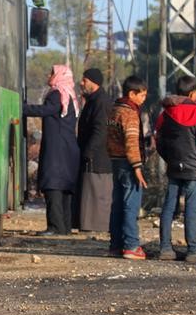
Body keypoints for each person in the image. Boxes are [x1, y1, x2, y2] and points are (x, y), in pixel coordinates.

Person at [156, 75, 196, 263]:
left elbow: (158, 140)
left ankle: (165, 249)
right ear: (193, 93)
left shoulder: (165, 114)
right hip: (195, 168)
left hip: (174, 166)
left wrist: (169, 159)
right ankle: (193, 250)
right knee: (191, 209)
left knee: (168, 207)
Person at [23, 64, 80, 235]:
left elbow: (45, 110)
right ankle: (64, 227)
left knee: (53, 186)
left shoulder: (57, 95)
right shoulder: (69, 95)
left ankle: (55, 227)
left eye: (52, 73)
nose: (49, 75)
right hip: (67, 147)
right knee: (64, 189)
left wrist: (22, 108)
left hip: (57, 150)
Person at [107, 75, 148, 260]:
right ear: (132, 94)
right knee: (131, 204)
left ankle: (115, 245)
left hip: (115, 161)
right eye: (142, 95)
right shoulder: (130, 113)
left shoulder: (114, 110)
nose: (143, 99)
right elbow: (131, 142)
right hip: (128, 163)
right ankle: (131, 245)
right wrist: (137, 167)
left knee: (117, 204)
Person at [76, 68, 113, 232]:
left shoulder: (101, 102)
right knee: (90, 192)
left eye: (85, 80)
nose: (81, 83)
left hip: (98, 157)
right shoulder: (93, 100)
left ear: (94, 82)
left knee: (98, 193)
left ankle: (98, 227)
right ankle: (89, 225)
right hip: (91, 154)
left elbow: (100, 130)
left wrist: (89, 151)